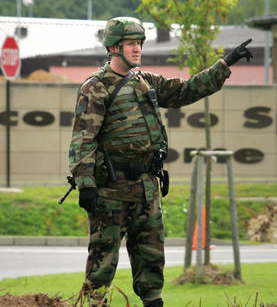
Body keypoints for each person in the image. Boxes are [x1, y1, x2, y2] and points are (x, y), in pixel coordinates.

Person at [68, 16, 252, 307]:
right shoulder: (96, 87)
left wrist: (224, 65)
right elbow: (83, 139)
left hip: (146, 187)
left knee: (152, 261)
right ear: (114, 47)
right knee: (102, 263)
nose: (137, 48)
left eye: (139, 43)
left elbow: (186, 90)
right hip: (111, 189)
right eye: (130, 43)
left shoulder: (146, 81)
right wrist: (86, 183)